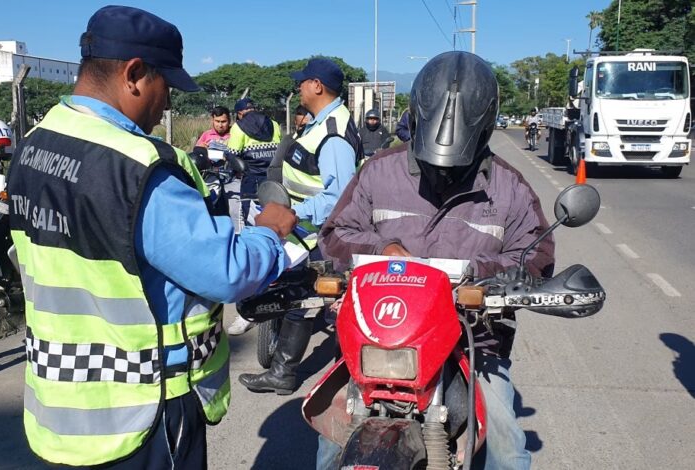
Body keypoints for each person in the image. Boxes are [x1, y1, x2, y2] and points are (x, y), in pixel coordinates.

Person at [5, 6, 296, 468]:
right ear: (135, 74)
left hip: (61, 409)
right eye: (167, 88)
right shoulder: (139, 169)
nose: (166, 106)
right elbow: (225, 273)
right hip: (146, 410)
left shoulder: (34, 146)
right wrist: (269, 232)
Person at [318, 51, 555, 469]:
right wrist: (382, 251)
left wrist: (478, 275)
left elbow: (536, 254)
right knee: (333, 442)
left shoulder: (509, 187)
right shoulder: (379, 171)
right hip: (382, 340)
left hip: (473, 341)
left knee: (507, 451)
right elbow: (335, 235)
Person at [237, 57, 364, 395]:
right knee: (302, 297)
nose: (298, 87)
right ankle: (285, 371)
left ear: (317, 86)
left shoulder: (333, 134)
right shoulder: (320, 123)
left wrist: (293, 213)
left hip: (317, 232)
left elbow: (339, 198)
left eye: (303, 82)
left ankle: (292, 373)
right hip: (304, 227)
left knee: (303, 297)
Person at [223, 98, 283, 336]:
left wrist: (238, 168)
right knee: (277, 239)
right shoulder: (275, 125)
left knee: (250, 242)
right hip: (276, 187)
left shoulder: (238, 129)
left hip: (251, 190)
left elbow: (232, 156)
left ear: (239, 114)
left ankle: (247, 311)